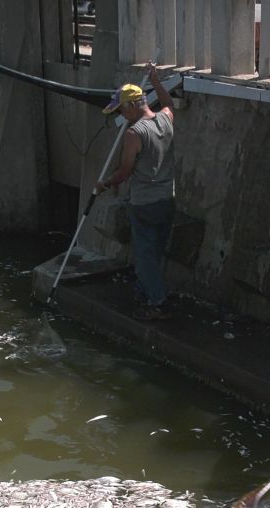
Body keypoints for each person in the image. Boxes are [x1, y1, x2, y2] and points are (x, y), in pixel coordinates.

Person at [97, 64, 176, 321]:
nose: (121, 113)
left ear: (132, 106)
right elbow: (168, 103)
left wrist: (104, 184)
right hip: (167, 199)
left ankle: (157, 302)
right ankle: (144, 291)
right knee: (157, 251)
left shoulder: (133, 133)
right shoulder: (165, 119)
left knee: (144, 255)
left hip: (144, 202)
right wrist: (157, 81)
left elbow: (125, 171)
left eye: (121, 108)